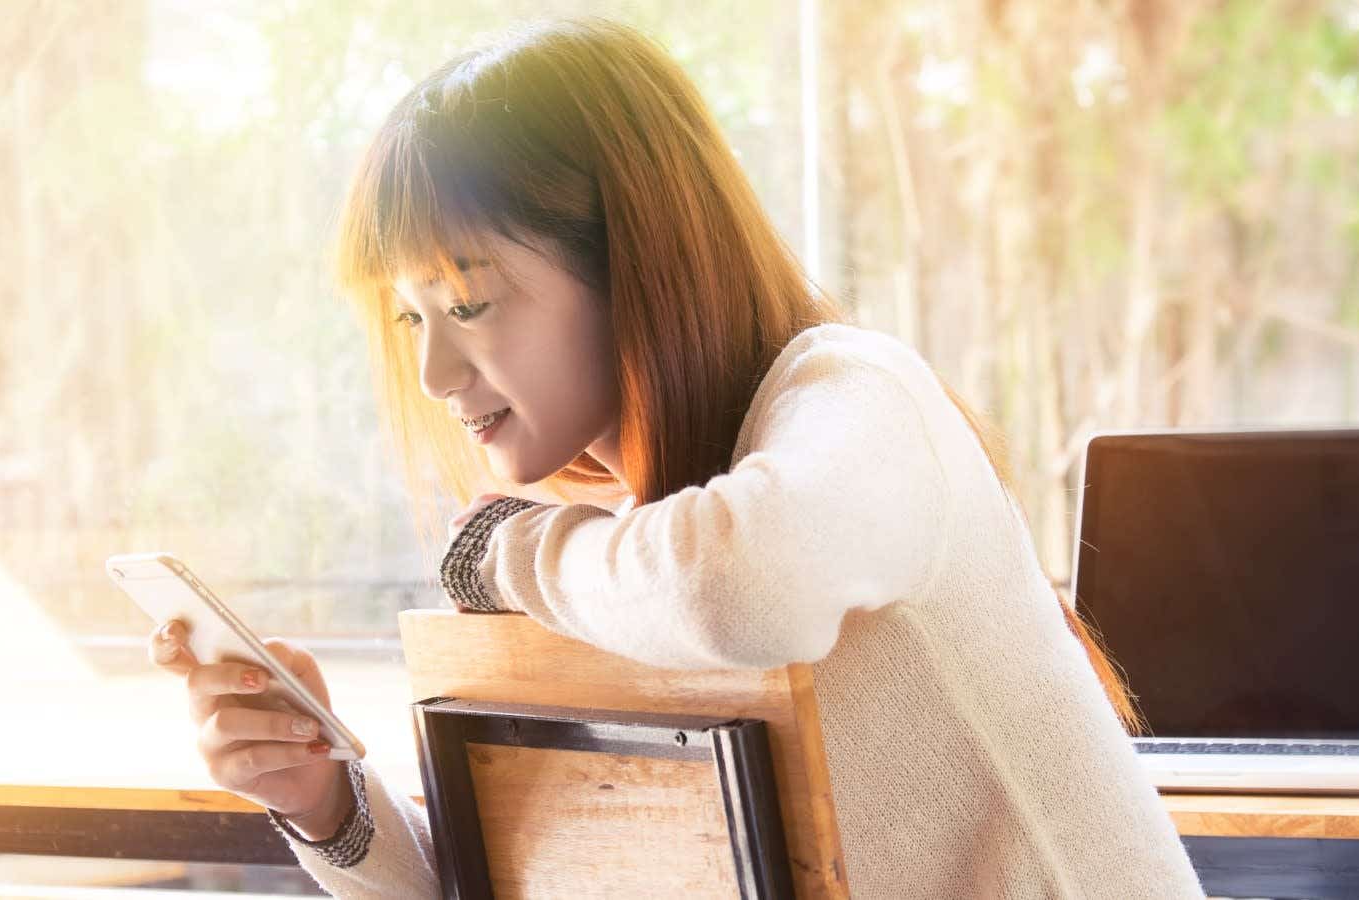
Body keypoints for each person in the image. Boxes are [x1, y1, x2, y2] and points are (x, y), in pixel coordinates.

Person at [146, 18, 1202, 899]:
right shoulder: (615, 557)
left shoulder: (856, 399)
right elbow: (522, 875)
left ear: (634, 261)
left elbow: (739, 587)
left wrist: (509, 555)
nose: (432, 374)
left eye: (468, 303)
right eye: (408, 316)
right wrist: (326, 801)